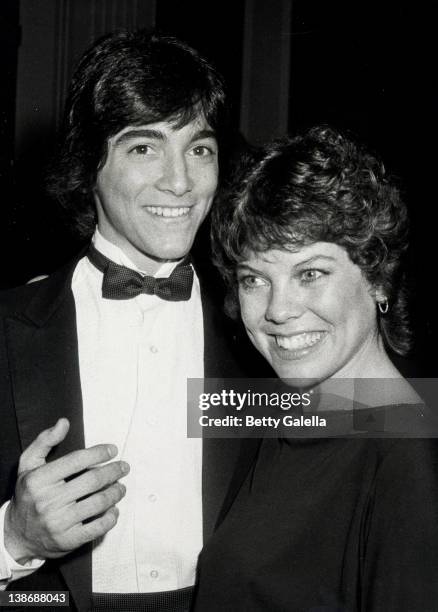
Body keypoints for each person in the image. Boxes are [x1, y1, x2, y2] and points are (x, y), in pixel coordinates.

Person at [0, 29, 249, 612]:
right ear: (89, 164)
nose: (180, 182)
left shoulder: (259, 330)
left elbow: (392, 419)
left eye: (199, 148)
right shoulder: (7, 330)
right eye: (144, 148)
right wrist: (13, 538)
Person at [193, 126, 438, 611]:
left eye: (310, 273)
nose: (278, 310)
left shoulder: (408, 456)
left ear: (378, 277)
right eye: (254, 279)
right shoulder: (286, 415)